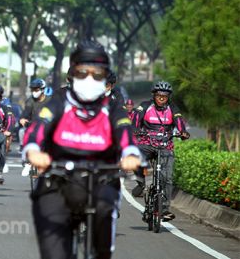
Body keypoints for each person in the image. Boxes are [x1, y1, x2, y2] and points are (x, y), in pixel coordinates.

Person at [23, 40, 142, 259]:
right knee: (54, 250)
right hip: (58, 179)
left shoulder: (113, 106)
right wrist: (32, 150)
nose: (89, 79)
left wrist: (130, 154)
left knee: (106, 218)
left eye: (97, 74)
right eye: (82, 72)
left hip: (102, 178)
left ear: (106, 77)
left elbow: (124, 130)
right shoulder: (59, 100)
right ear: (73, 73)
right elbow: (39, 126)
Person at [131, 81, 190, 220]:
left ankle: (163, 209)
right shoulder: (145, 106)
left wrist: (183, 132)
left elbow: (179, 121)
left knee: (167, 179)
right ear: (154, 95)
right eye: (159, 95)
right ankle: (140, 183)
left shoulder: (173, 108)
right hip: (147, 143)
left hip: (165, 145)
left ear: (168, 97)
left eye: (165, 96)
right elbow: (136, 117)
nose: (162, 98)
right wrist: (134, 129)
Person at [19, 78, 50, 176]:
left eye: (36, 90)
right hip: (33, 127)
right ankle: (28, 162)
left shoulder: (50, 100)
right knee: (22, 132)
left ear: (43, 89)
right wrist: (23, 119)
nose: (34, 92)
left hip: (46, 127)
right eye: (33, 90)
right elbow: (25, 114)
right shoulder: (30, 101)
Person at [0, 84, 16, 184]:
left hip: (0, 129)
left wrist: (8, 130)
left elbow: (10, 118)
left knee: (2, 146)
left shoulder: (5, 103)